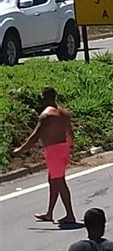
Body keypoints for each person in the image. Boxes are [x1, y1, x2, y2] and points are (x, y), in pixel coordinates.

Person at [13, 87, 76, 223]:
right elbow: (70, 133)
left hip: (53, 150)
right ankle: (49, 213)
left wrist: (20, 149)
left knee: (59, 182)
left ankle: (70, 215)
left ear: (44, 97)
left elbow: (35, 136)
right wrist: (70, 147)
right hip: (63, 148)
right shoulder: (64, 113)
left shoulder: (46, 115)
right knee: (53, 181)